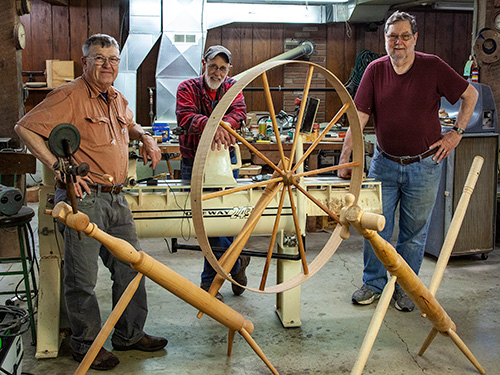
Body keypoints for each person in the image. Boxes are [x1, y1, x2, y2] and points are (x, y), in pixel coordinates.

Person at [15, 34, 167, 371]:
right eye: (99, 58)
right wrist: (58, 166)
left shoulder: (114, 97)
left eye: (113, 59)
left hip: (116, 197)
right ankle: (86, 344)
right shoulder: (69, 95)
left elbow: (130, 122)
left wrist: (145, 137)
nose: (107, 65)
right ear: (85, 62)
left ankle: (129, 334)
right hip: (83, 198)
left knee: (131, 267)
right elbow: (25, 128)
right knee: (82, 277)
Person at [338, 11, 478, 312]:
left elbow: (471, 94)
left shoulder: (432, 66)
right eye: (392, 36)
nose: (398, 42)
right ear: (385, 39)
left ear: (415, 38)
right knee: (373, 228)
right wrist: (345, 155)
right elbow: (359, 117)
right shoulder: (375, 71)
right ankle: (373, 284)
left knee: (414, 234)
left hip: (424, 164)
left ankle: (405, 288)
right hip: (384, 164)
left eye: (404, 36)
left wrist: (456, 133)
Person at [176, 45, 249, 301]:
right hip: (193, 161)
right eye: (213, 66)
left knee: (224, 220)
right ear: (203, 64)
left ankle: (210, 284)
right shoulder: (187, 87)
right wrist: (213, 125)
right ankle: (237, 263)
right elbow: (185, 117)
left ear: (229, 69)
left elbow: (240, 113)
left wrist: (226, 123)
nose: (217, 72)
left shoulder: (233, 87)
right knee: (204, 223)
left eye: (222, 68)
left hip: (224, 162)